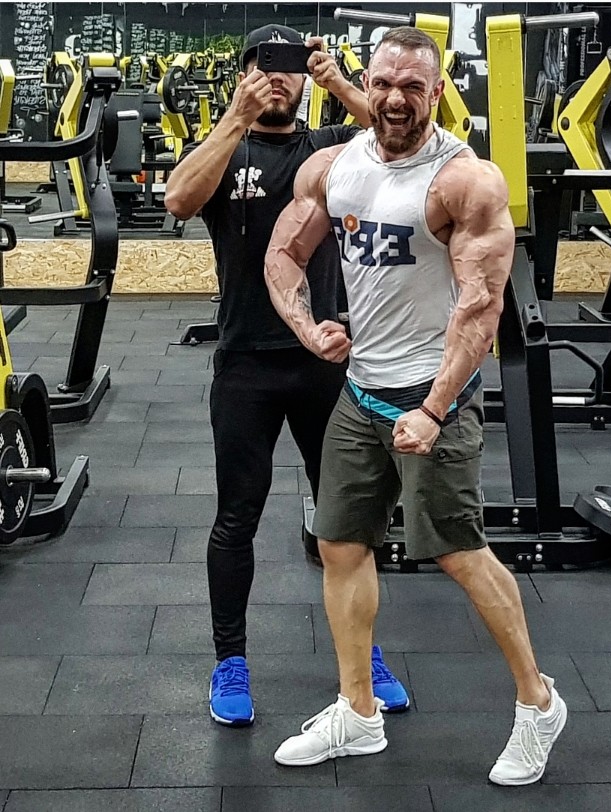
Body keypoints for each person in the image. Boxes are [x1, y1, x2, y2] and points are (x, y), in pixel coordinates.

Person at [264, 26, 567, 786]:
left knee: (459, 553)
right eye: (384, 83)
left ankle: (538, 702)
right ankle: (358, 711)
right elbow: (284, 253)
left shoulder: (463, 183)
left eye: (412, 87)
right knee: (340, 545)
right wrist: (309, 328)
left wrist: (433, 410)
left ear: (436, 93)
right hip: (360, 394)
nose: (395, 99)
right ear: (365, 84)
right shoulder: (334, 167)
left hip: (437, 399)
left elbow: (480, 308)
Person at [164, 23, 409, 728]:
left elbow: (398, 138)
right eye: (263, 65)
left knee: (349, 521)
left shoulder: (331, 149)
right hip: (245, 365)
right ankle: (229, 661)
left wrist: (339, 82)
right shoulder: (225, 148)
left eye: (291, 66)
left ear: (307, 77)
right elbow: (178, 200)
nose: (278, 76)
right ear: (244, 75)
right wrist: (233, 117)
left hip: (325, 363)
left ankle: (364, 657)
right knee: (236, 516)